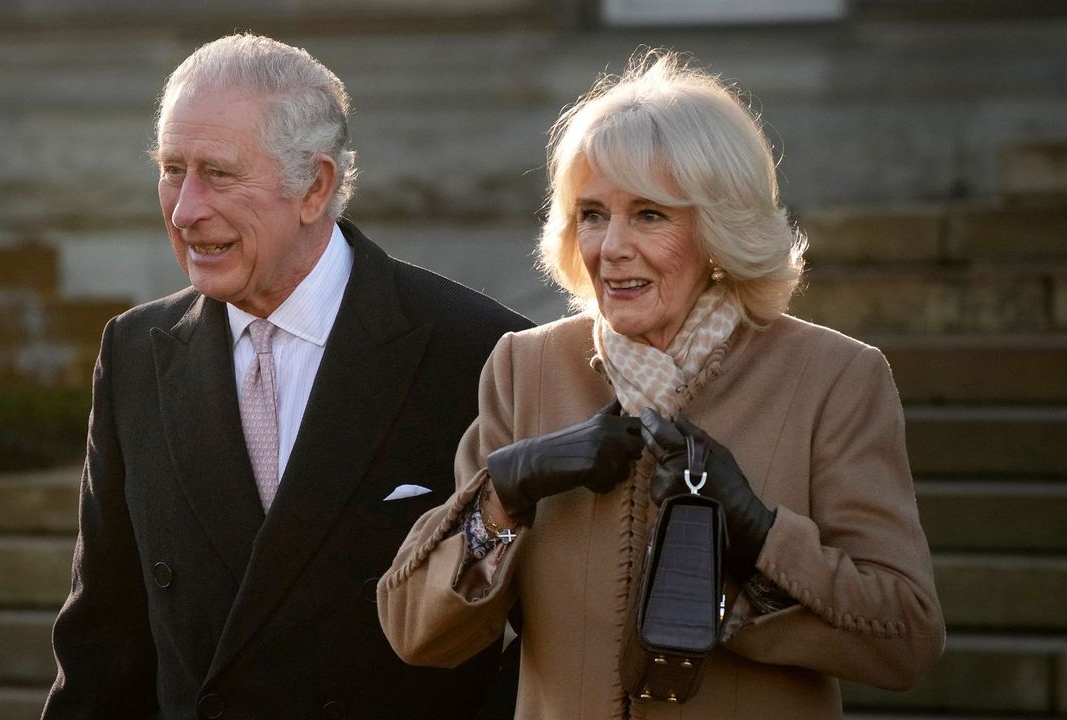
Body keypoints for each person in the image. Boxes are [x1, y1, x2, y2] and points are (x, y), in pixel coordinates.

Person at [378, 50, 945, 719]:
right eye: (592, 213)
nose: (611, 246)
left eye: (649, 214)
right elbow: (417, 633)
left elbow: (905, 640)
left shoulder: (834, 378)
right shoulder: (525, 369)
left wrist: (762, 536)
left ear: (718, 231)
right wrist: (506, 493)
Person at [41, 33, 531, 720]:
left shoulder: (483, 352)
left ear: (316, 186)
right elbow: (103, 641)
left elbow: (542, 648)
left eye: (216, 173)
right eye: (171, 169)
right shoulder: (134, 353)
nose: (184, 211)